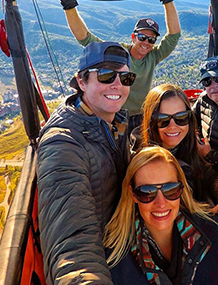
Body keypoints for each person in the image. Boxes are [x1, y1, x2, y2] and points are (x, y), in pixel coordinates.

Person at [36, 42, 135, 284]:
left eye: (126, 78)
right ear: (81, 82)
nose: (117, 85)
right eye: (106, 75)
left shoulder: (114, 123)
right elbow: (72, 244)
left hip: (124, 237)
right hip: (108, 258)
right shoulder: (62, 143)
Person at [103, 146, 218, 285]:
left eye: (170, 189)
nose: (161, 203)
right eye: (147, 192)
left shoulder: (212, 231)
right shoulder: (115, 257)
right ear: (133, 194)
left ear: (181, 188)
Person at [55, 0, 181, 125]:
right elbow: (86, 39)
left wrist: (167, 0)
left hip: (142, 116)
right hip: (116, 114)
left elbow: (174, 35)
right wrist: (69, 5)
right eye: (142, 37)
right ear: (133, 37)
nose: (146, 42)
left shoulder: (153, 56)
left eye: (151, 39)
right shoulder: (119, 54)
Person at [136, 83, 218, 243]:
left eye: (181, 118)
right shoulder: (144, 164)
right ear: (151, 121)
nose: (173, 126)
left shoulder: (187, 148)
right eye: (163, 120)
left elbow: (208, 174)